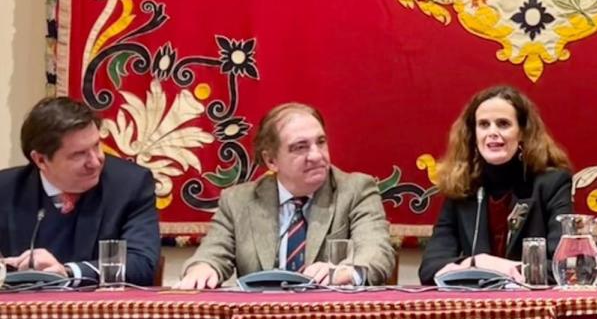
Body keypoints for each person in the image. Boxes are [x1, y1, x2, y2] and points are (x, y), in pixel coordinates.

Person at [175, 103, 394, 288]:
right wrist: (202, 268)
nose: (317, 156)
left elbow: (376, 252)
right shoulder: (238, 201)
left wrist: (346, 271)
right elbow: (211, 253)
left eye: (321, 142)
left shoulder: (356, 190)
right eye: (300, 147)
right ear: (271, 160)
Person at [418, 85, 573, 284]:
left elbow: (563, 267)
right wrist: (479, 262)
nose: (492, 133)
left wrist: (504, 268)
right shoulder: (462, 186)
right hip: (476, 308)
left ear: (523, 133)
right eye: (484, 124)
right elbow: (430, 269)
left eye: (503, 124)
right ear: (473, 135)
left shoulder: (552, 184)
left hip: (532, 307)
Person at [0, 97, 159, 284]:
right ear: (41, 160)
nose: (95, 161)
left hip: (100, 309)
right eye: (79, 154)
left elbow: (142, 263)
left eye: (96, 146)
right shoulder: (6, 188)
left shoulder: (129, 184)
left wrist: (67, 272)